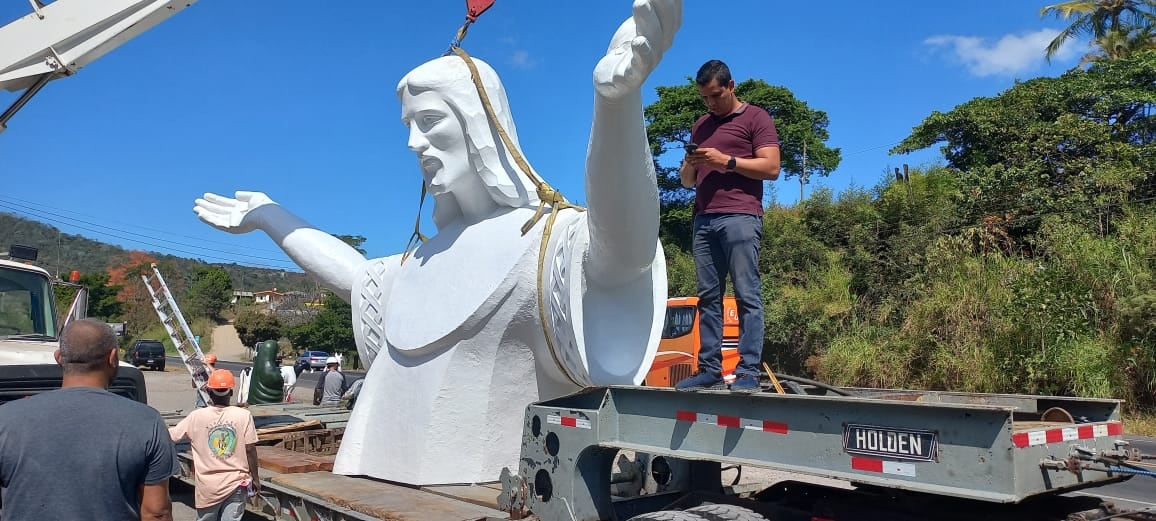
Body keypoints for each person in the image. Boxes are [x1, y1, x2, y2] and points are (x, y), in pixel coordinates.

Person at [192, 0, 678, 485]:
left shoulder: (543, 239)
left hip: (472, 499)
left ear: (476, 123)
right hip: (365, 487)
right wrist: (271, 215)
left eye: (428, 121)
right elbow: (357, 277)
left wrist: (616, 105)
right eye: (409, 126)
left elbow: (623, 251)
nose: (414, 143)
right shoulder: (422, 258)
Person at [0, 318, 175, 521]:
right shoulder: (147, 422)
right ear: (113, 357)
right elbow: (156, 512)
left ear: (59, 358)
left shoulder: (5, 419)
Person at [675, 59, 781, 393]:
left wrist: (727, 162)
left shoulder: (756, 118)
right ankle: (709, 369)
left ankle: (748, 371)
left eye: (716, 95)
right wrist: (691, 163)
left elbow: (772, 168)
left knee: (747, 294)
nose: (710, 103)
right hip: (703, 218)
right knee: (708, 297)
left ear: (731, 86)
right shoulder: (701, 125)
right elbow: (687, 181)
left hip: (741, 216)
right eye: (705, 97)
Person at [169, 369, 260, 521]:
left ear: (210, 392)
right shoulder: (243, 415)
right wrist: (255, 479)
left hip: (208, 487)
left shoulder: (196, 416)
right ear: (231, 392)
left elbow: (171, 436)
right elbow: (250, 448)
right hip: (236, 483)